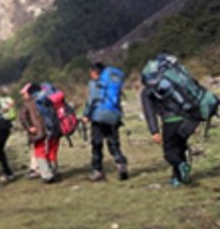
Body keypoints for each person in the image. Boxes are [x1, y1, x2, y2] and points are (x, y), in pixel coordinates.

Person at [140, 55, 205, 187]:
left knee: (169, 152)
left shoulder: (147, 91)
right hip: (188, 118)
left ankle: (181, 166)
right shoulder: (177, 81)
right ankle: (179, 178)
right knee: (180, 148)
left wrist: (154, 131)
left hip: (171, 121)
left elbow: (150, 113)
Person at [81, 62, 129, 182]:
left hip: (99, 117)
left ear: (94, 72)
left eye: (91, 73)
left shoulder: (95, 84)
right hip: (113, 117)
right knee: (113, 143)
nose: (90, 75)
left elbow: (91, 101)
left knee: (97, 145)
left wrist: (86, 115)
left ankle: (98, 171)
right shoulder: (113, 83)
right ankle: (121, 163)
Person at [20, 82, 59, 183]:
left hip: (39, 132)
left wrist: (29, 128)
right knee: (52, 151)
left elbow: (22, 117)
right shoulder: (48, 98)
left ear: (29, 93)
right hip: (53, 129)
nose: (23, 96)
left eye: (24, 94)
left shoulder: (28, 103)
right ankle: (53, 172)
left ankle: (47, 175)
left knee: (40, 152)